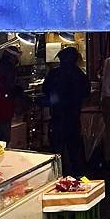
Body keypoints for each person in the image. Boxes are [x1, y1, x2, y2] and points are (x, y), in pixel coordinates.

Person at [42, 47, 90, 175]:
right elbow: (86, 93)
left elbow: (45, 90)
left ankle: (56, 174)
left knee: (57, 149)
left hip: (57, 115)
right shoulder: (79, 74)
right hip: (73, 115)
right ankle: (77, 175)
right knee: (75, 148)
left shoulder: (54, 74)